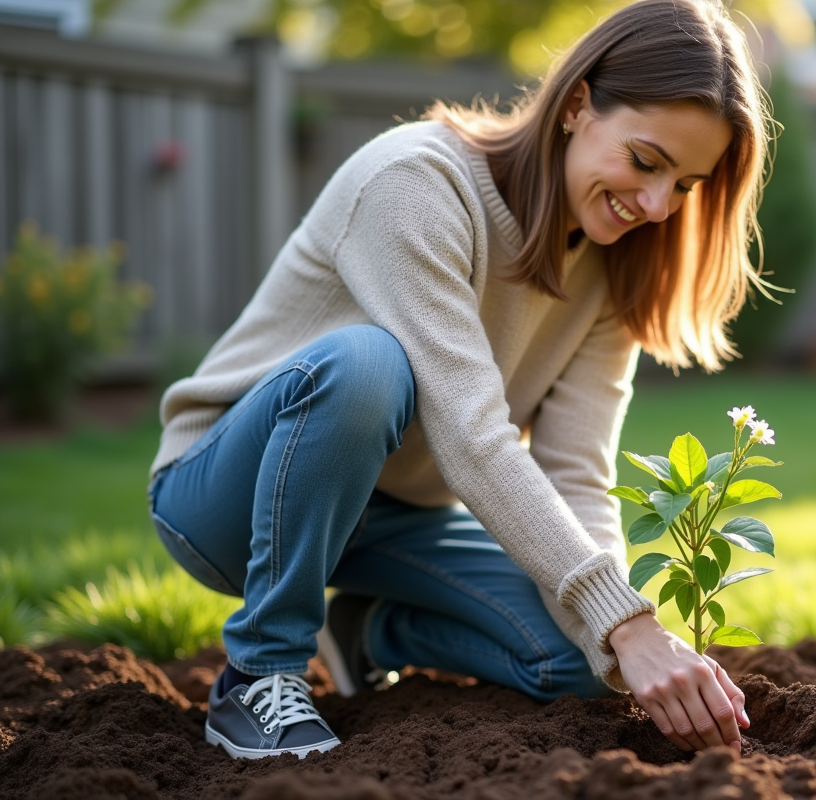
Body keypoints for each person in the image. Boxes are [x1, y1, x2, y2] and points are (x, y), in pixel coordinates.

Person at [148, 0, 772, 762]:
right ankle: (261, 673)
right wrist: (633, 627)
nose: (655, 206)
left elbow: (576, 472)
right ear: (578, 105)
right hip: (228, 501)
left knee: (590, 660)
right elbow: (473, 434)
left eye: (685, 185)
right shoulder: (416, 181)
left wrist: (622, 627)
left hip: (391, 517)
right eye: (646, 161)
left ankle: (370, 630)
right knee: (367, 366)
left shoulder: (613, 271)